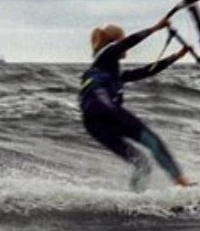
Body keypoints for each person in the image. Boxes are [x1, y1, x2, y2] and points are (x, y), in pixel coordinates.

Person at [79, 17, 193, 191]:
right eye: (122, 40)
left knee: (142, 163)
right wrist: (155, 28)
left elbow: (143, 72)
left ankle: (134, 199)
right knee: (153, 141)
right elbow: (128, 43)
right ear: (116, 41)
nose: (125, 49)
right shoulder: (107, 54)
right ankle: (182, 183)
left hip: (93, 123)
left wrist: (175, 57)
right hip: (104, 109)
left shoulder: (108, 70)